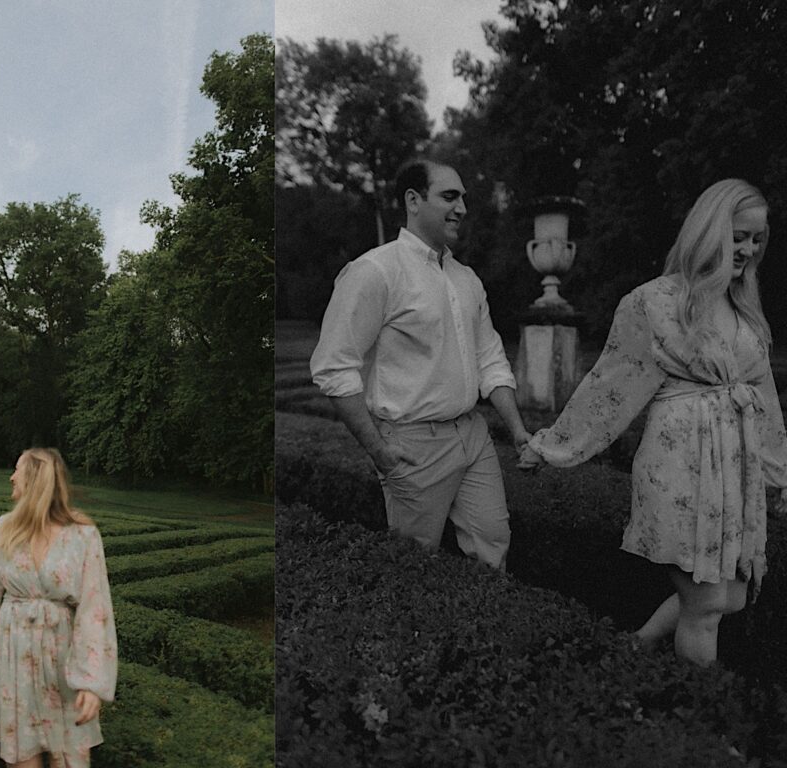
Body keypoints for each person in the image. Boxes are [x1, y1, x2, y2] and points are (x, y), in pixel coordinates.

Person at [518, 178, 787, 666]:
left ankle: (635, 647)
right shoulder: (656, 303)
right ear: (708, 231)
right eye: (738, 235)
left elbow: (763, 399)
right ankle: (702, 720)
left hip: (731, 474)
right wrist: (551, 446)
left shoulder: (745, 311)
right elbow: (608, 387)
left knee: (729, 598)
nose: (747, 248)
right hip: (681, 467)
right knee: (705, 604)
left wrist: (780, 471)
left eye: (757, 238)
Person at [310, 158, 532, 569]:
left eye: (464, 198)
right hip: (413, 443)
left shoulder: (466, 279)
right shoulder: (375, 271)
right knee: (414, 565)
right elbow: (334, 368)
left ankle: (484, 629)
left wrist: (517, 429)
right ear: (413, 200)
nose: (462, 208)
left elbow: (490, 359)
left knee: (493, 544)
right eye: (449, 196)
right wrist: (380, 452)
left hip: (474, 436)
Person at [0, 447, 118, 768]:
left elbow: (96, 611)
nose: (11, 476)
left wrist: (93, 684)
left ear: (36, 479)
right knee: (22, 757)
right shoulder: (5, 529)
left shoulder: (83, 535)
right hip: (13, 658)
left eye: (17, 470)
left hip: (63, 661)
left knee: (69, 757)